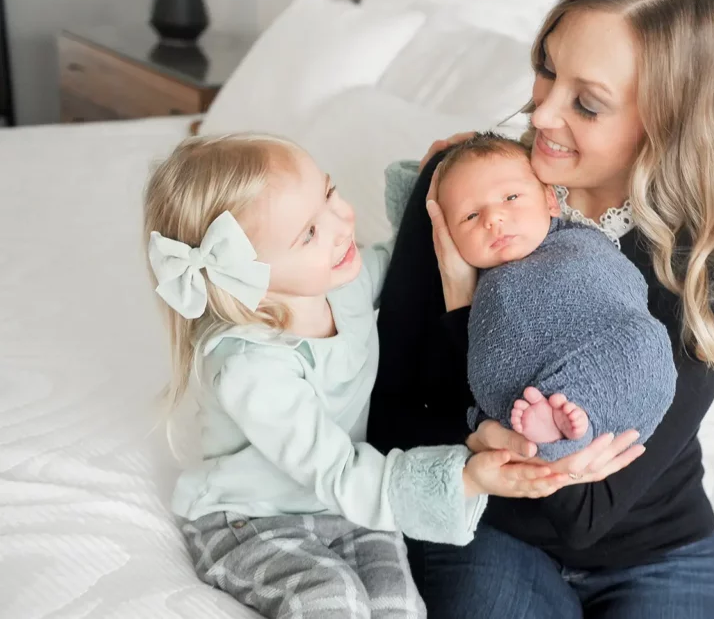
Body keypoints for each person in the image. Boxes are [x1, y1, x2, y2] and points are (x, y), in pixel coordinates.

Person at [370, 0, 714, 619]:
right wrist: (476, 430)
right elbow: (388, 420)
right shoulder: (476, 187)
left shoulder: (709, 265)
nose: (540, 114)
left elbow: (589, 512)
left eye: (586, 103)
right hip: (487, 526)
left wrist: (470, 318)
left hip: (659, 550)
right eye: (546, 69)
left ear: (667, 122)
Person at [144, 134, 569, 619]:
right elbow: (337, 469)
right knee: (330, 599)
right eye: (308, 233)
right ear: (247, 277)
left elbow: (406, 257)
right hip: (253, 518)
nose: (343, 222)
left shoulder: (342, 281)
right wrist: (463, 478)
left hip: (346, 509)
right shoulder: (250, 368)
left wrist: (434, 184)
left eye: (329, 194)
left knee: (400, 604)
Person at [431, 132, 677, 461]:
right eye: (470, 217)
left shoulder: (579, 243)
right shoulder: (481, 286)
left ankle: (568, 424)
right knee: (530, 410)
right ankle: (559, 428)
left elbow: (622, 288)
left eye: (511, 198)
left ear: (550, 201)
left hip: (611, 366)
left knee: (645, 340)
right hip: (519, 398)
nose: (493, 219)